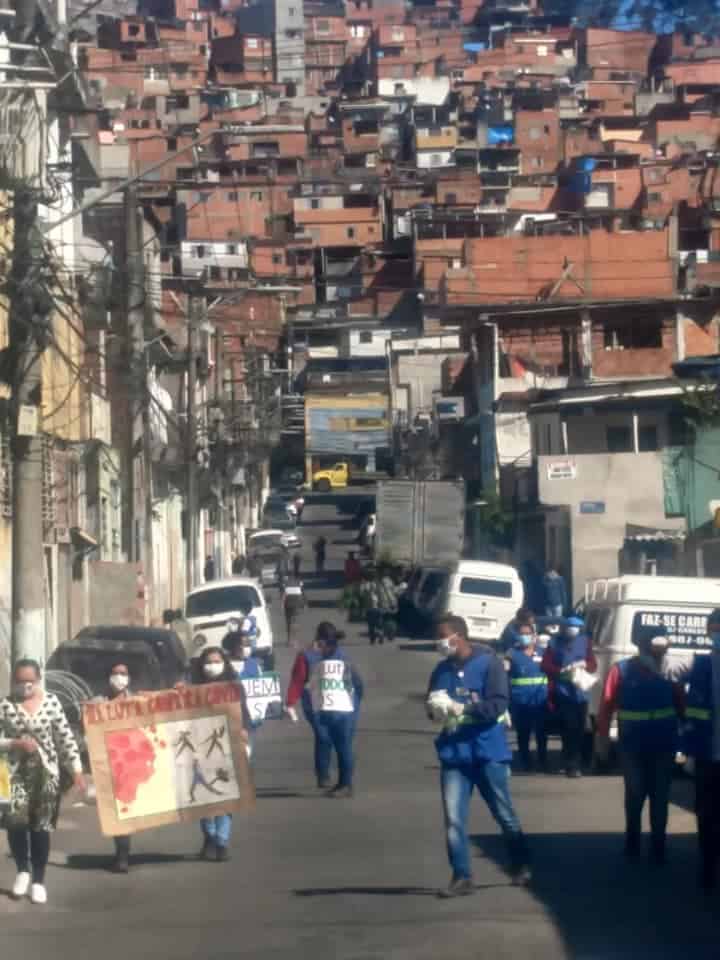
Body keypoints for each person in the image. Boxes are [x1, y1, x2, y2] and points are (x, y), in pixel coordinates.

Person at [427, 615, 530, 896]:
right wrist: (436, 709)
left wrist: (465, 709)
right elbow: (432, 705)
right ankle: (462, 875)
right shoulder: (441, 670)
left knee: (503, 813)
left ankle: (520, 863)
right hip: (454, 754)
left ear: (459, 636)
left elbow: (498, 704)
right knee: (453, 819)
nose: (439, 642)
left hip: (487, 751)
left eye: (443, 636)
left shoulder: (489, 665)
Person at [0, 659, 85, 905]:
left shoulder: (51, 703)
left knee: (41, 827)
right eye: (20, 681)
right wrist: (14, 743)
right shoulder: (6, 705)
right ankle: (22, 871)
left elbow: (65, 739)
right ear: (13, 680)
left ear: (38, 680)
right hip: (14, 774)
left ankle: (38, 880)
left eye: (30, 680)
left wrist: (77, 770)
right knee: (16, 825)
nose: (25, 685)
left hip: (46, 774)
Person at [597, 625, 682, 864]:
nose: (661, 650)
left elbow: (682, 704)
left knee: (659, 796)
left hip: (663, 744)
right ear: (644, 645)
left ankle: (658, 846)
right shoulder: (621, 670)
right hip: (632, 745)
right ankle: (633, 844)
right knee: (635, 796)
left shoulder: (671, 671)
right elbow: (606, 706)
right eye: (656, 645)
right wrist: (602, 742)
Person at [286, 622, 363, 797]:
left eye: (330, 645)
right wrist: (290, 703)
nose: (327, 649)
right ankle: (327, 776)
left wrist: (352, 706)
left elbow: (357, 685)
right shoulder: (308, 656)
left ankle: (345, 784)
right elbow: (298, 681)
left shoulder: (343, 658)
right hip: (321, 709)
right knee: (325, 738)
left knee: (342, 744)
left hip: (340, 710)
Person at [192, 647, 245, 862]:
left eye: (216, 661)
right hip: (200, 749)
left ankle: (221, 842)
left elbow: (244, 714)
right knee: (203, 796)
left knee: (225, 795)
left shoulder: (234, 687)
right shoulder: (193, 689)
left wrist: (244, 735)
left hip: (227, 746)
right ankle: (210, 837)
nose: (212, 665)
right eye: (208, 662)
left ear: (224, 663)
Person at [681, 607, 720, 891]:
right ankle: (708, 868)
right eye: (715, 630)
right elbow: (667, 671)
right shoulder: (701, 665)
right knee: (706, 814)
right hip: (708, 755)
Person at [541, 616, 597, 777]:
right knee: (569, 728)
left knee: (579, 729)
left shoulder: (585, 642)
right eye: (570, 626)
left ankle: (573, 760)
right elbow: (545, 665)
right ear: (564, 628)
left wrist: (584, 664)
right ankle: (572, 764)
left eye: (576, 627)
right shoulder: (554, 643)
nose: (573, 629)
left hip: (580, 692)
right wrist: (561, 670)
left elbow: (593, 664)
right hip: (562, 692)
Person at [506, 624, 549, 772]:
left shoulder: (543, 652)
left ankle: (543, 760)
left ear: (534, 635)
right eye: (522, 633)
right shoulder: (512, 654)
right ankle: (526, 761)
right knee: (523, 733)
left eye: (527, 633)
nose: (524, 636)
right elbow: (504, 672)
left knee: (542, 733)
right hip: (520, 701)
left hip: (540, 700)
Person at [105, 663, 134, 873]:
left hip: (132, 763)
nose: (119, 677)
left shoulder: (138, 701)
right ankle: (121, 853)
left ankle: (123, 855)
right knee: (115, 811)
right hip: (108, 764)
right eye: (115, 673)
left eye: (123, 673)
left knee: (126, 809)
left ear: (129, 678)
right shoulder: (98, 702)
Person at [282, 576, 306, 646]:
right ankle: (295, 640)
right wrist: (304, 603)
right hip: (296, 604)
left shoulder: (285, 583)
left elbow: (284, 595)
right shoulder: (299, 582)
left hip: (288, 604)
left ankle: (289, 640)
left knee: (288, 622)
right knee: (295, 622)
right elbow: (303, 593)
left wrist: (282, 604)